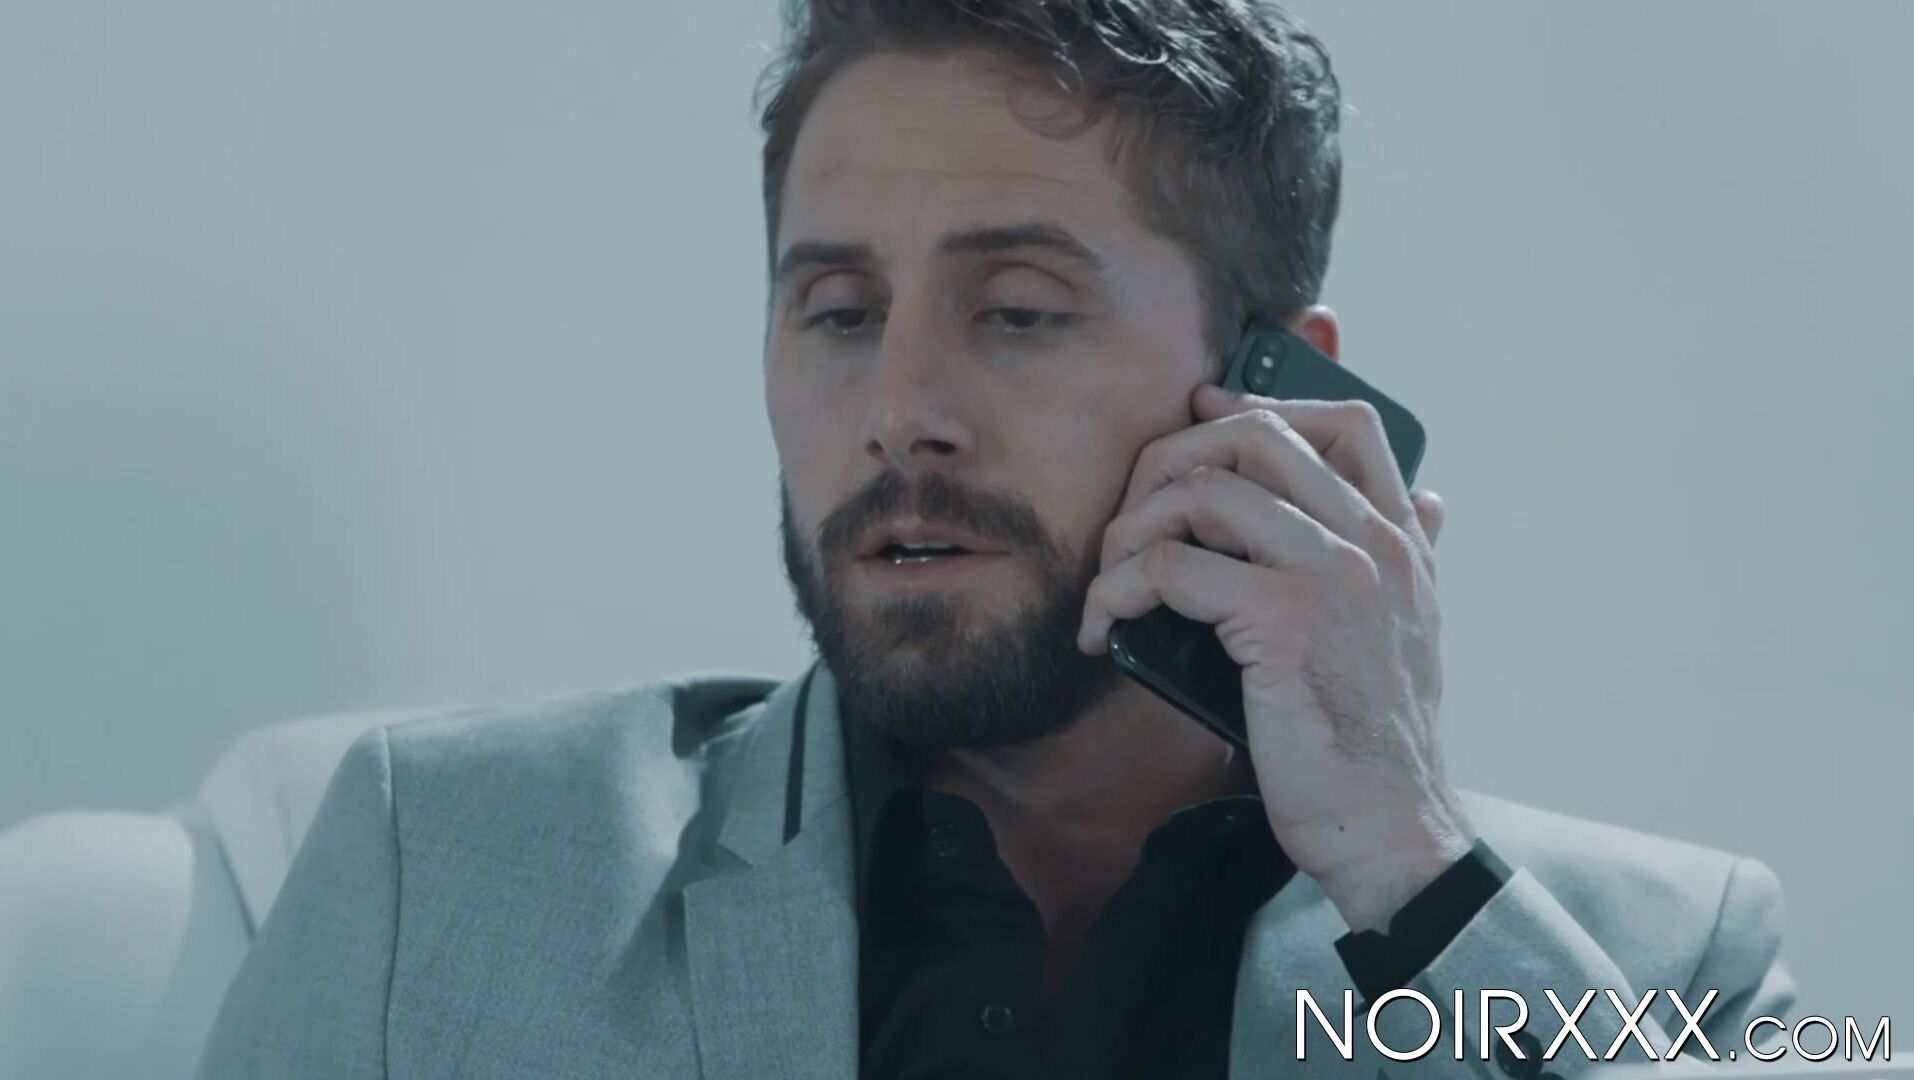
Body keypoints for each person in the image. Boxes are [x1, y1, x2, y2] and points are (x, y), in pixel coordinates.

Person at [194, 2, 1796, 1077]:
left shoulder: (1662, 961)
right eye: (838, 311)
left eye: (1017, 311)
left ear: (1274, 398)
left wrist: (1410, 869)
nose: (899, 411)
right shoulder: (440, 859)